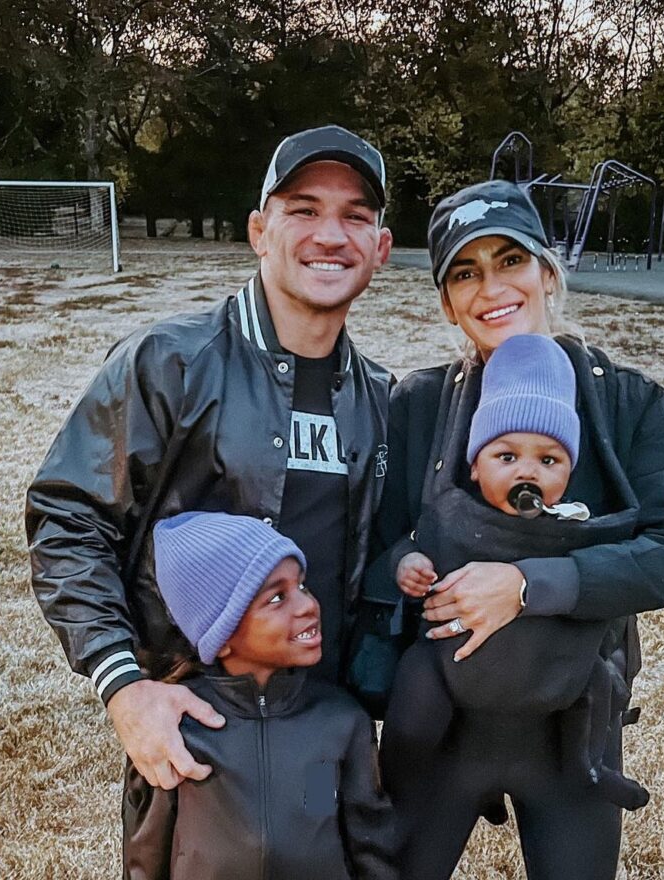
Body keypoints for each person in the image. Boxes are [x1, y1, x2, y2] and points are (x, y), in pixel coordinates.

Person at [26, 124, 394, 793]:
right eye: (304, 209)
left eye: (355, 216)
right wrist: (125, 687)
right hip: (197, 727)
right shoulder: (170, 362)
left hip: (328, 731)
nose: (331, 235)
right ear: (260, 231)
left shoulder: (383, 399)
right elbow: (69, 518)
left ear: (381, 247)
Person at [370, 179, 664, 879]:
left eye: (510, 261)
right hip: (443, 728)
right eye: (466, 271)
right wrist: (404, 568)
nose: (492, 287)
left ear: (548, 273)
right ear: (446, 301)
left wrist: (527, 584)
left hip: (573, 732)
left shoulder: (627, 403)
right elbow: (379, 546)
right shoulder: (419, 406)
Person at [383, 333, 648, 814]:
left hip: (557, 669)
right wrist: (408, 563)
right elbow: (407, 539)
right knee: (415, 698)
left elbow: (643, 561)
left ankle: (596, 769)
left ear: (569, 471)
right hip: (453, 667)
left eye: (549, 460)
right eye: (506, 457)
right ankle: (394, 785)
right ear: (476, 466)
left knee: (596, 691)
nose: (528, 472)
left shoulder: (576, 521)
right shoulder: (450, 513)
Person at [123, 511, 396, 880]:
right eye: (277, 598)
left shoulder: (338, 722)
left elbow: (365, 845)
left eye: (302, 585)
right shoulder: (177, 729)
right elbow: (147, 853)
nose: (308, 605)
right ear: (221, 636)